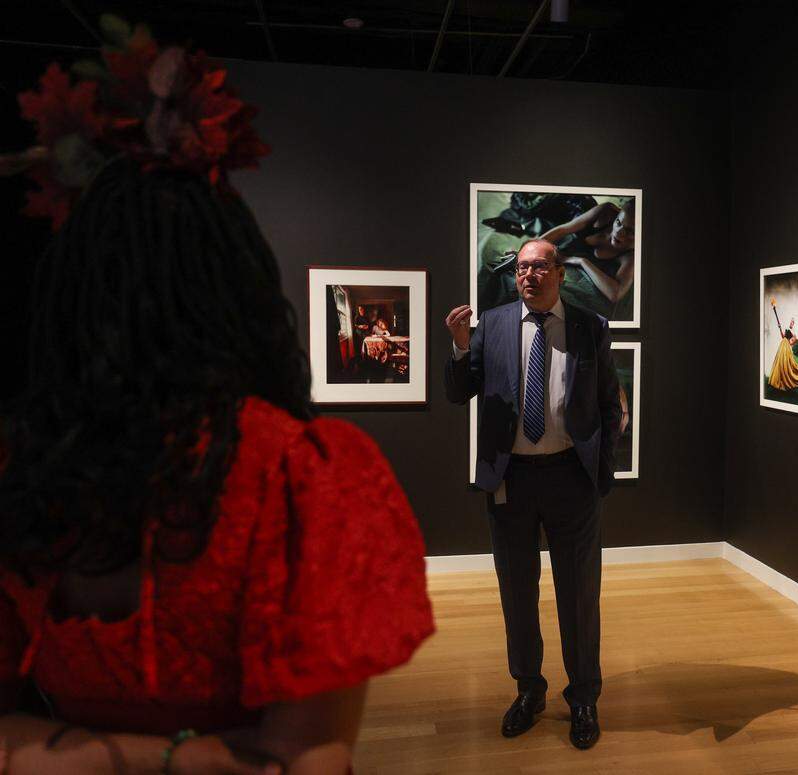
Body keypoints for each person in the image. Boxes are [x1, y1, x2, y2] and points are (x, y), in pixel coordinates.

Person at [0, 36, 433, 774]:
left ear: (70, 295)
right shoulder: (295, 475)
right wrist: (191, 756)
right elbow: (303, 759)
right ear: (239, 287)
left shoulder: (31, 468)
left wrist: (74, 756)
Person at [443, 239, 621, 751]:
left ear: (560, 274)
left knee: (579, 594)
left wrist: (600, 468)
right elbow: (459, 392)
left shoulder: (589, 326)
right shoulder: (494, 325)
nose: (528, 275)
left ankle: (583, 697)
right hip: (511, 479)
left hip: (571, 478)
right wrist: (460, 346)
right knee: (517, 592)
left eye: (539, 266)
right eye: (522, 267)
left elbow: (609, 404)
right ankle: (529, 690)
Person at [540, 199, 636, 319]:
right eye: (618, 222)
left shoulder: (631, 256)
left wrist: (581, 261)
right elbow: (563, 229)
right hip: (569, 238)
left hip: (574, 272)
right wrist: (531, 248)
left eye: (630, 231)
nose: (618, 232)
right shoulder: (606, 211)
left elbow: (615, 294)